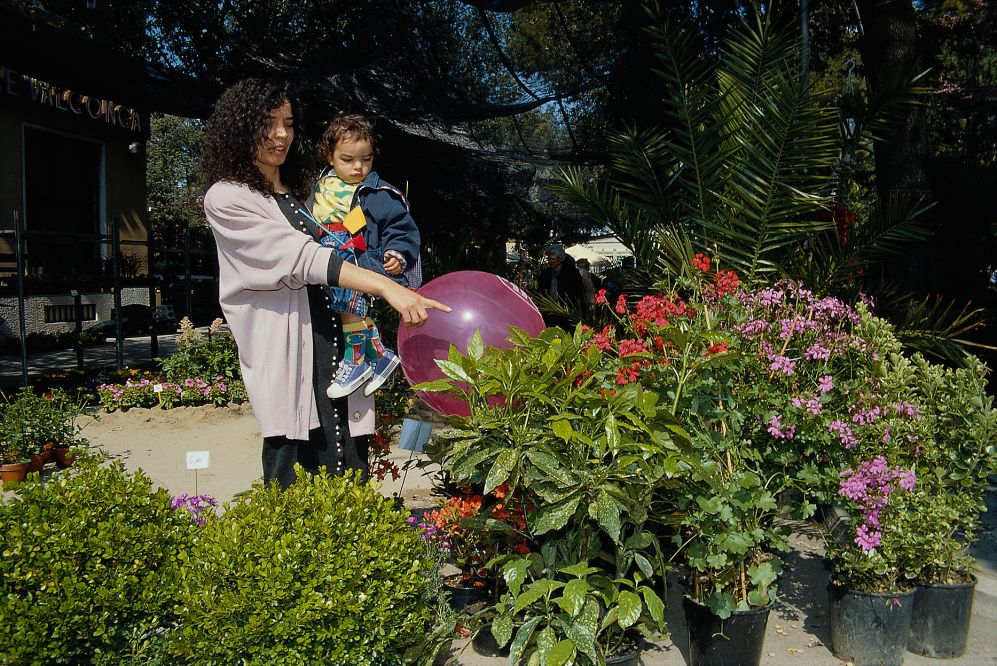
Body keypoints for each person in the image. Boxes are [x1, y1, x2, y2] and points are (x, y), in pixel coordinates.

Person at [199, 78, 448, 490]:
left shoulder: (304, 194)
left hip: (337, 343)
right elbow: (298, 256)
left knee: (350, 463)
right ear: (241, 127)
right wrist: (383, 286)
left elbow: (357, 239)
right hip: (294, 350)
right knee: (298, 468)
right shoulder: (227, 198)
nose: (282, 134)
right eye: (269, 122)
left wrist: (393, 258)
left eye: (289, 122)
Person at [311, 113, 420, 400]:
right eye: (348, 159)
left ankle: (356, 360)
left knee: (348, 307)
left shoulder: (377, 193)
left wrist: (397, 253)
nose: (359, 167)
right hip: (327, 254)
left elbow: (400, 226)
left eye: (367, 159)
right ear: (329, 156)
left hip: (356, 258)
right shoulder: (320, 188)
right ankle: (381, 356)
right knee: (344, 308)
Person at [536, 243, 584, 329]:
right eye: (548, 259)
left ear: (560, 259)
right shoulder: (545, 274)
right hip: (549, 311)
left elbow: (578, 293)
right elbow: (540, 292)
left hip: (567, 312)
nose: (550, 261)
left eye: (552, 259)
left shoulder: (572, 273)